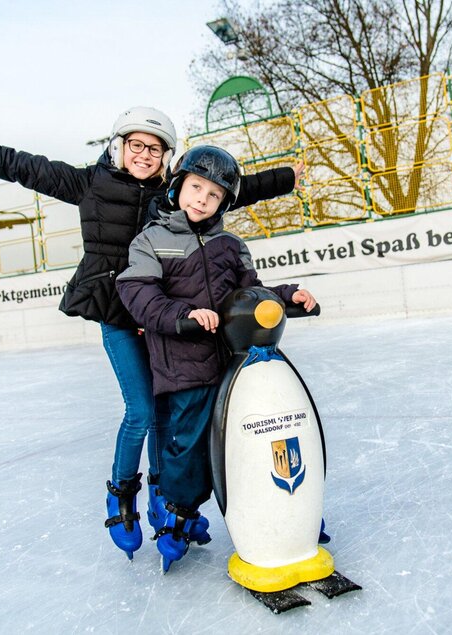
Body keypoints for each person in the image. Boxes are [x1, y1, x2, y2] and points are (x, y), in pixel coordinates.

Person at [0, 108, 303, 560]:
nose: (144, 155)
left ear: (168, 157)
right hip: (121, 315)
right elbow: (26, 167)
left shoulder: (174, 195)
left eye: (155, 148)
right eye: (136, 145)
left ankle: (168, 501)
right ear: (119, 146)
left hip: (167, 316)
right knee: (142, 411)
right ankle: (123, 492)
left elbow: (230, 190)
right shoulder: (91, 184)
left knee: (169, 412)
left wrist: (285, 178)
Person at [116, 145, 317, 571]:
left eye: (212, 195)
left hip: (232, 363)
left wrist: (288, 297)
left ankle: (282, 510)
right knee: (188, 449)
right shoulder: (150, 241)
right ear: (177, 187)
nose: (201, 200)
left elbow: (250, 293)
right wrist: (184, 316)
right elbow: (140, 297)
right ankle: (178, 514)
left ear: (224, 203)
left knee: (252, 439)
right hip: (184, 367)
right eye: (195, 188)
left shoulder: (230, 244)